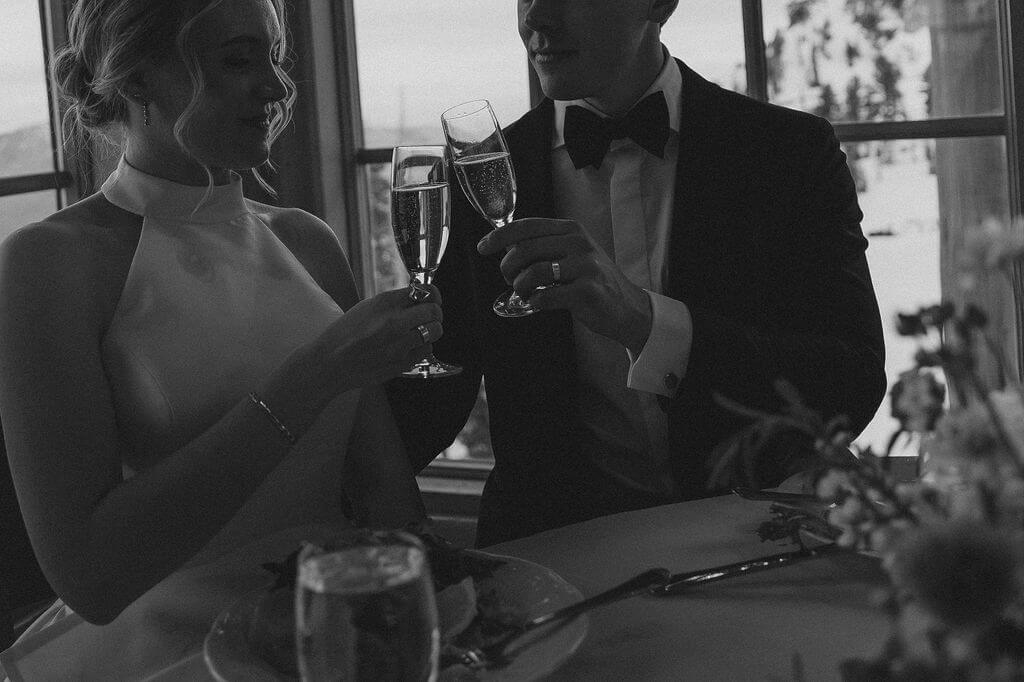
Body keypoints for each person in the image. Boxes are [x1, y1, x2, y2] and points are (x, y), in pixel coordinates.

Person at [0, 0, 441, 678]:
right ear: (139, 78)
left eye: (275, 57)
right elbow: (90, 578)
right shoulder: (48, 264)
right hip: (166, 648)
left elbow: (388, 502)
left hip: (329, 633)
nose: (277, 86)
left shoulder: (307, 242)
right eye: (239, 60)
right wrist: (318, 371)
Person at [387, 0, 886, 547]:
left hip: (759, 546)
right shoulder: (484, 178)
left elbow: (851, 381)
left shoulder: (788, 153)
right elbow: (431, 398)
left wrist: (644, 322)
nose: (536, 18)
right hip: (560, 564)